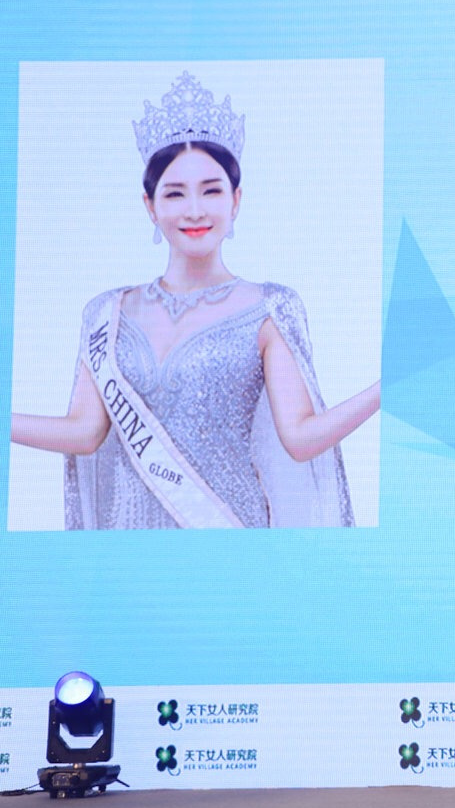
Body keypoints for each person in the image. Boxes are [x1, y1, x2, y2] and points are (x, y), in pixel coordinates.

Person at [9, 71, 379, 529]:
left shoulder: (268, 309)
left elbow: (301, 437)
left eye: (211, 190)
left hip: (228, 536)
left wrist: (387, 389)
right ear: (150, 205)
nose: (195, 209)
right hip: (128, 540)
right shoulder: (106, 313)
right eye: (175, 193)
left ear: (236, 200)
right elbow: (84, 432)